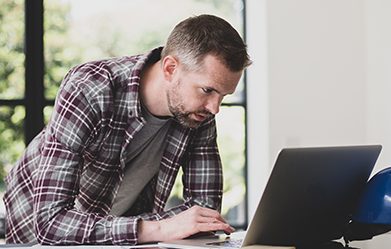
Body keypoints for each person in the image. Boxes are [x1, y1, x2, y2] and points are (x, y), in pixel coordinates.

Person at [3, 14, 251, 245]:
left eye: (223, 95)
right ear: (170, 68)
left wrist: (156, 227)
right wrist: (162, 228)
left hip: (118, 235)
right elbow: (51, 222)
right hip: (33, 229)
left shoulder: (198, 111)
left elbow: (204, 211)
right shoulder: (91, 88)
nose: (215, 108)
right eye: (208, 90)